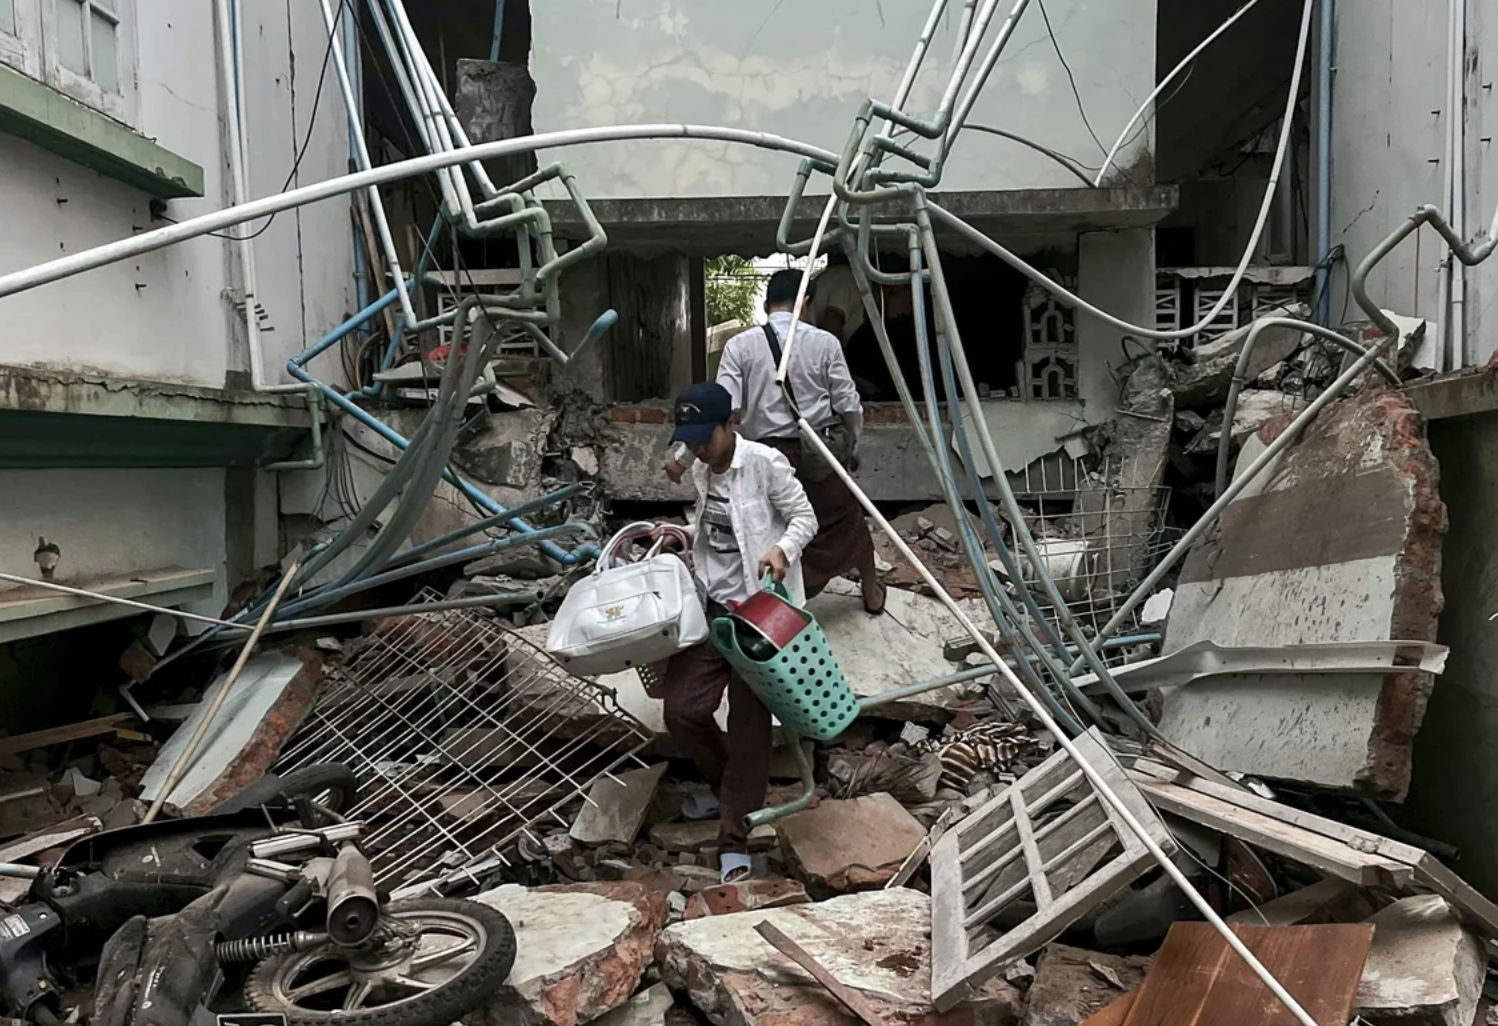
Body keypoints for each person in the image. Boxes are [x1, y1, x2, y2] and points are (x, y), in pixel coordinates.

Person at [658, 381, 818, 883]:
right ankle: (727, 786)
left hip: (761, 614)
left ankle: (735, 834)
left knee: (749, 728)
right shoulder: (703, 470)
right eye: (693, 439)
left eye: (708, 435)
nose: (700, 447)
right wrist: (682, 535)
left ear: (732, 424)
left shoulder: (764, 463)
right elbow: (715, 532)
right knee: (682, 709)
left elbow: (804, 517)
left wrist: (782, 551)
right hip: (714, 609)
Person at [665, 269, 886, 614]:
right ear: (807, 304)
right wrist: (850, 445)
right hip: (818, 454)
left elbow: (722, 406)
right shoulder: (825, 343)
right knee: (846, 521)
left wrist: (682, 456)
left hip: (762, 459)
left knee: (764, 531)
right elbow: (848, 405)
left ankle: (771, 604)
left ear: (767, 305)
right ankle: (872, 592)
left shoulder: (740, 345)